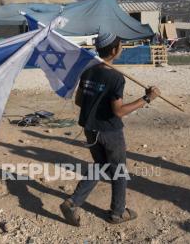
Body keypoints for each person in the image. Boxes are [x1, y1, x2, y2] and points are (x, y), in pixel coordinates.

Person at [60, 32, 161, 226]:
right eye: (121, 45)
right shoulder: (116, 78)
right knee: (118, 170)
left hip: (90, 129)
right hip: (109, 131)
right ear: (115, 50)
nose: (121, 47)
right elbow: (119, 112)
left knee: (101, 165)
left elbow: (80, 101)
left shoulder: (88, 71)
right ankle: (117, 212)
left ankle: (72, 203)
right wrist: (147, 99)